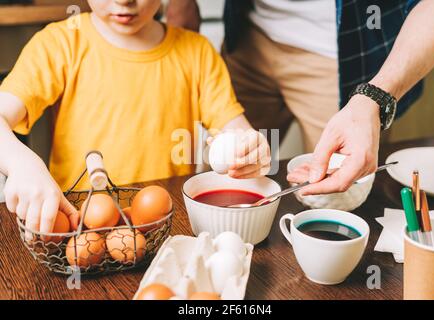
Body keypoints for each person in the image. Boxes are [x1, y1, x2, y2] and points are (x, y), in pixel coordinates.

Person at [0, 0, 271, 238]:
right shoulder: (59, 43)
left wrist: (250, 148)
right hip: (80, 229)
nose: (125, 0)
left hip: (167, 230)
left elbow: (236, 131)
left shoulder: (197, 52)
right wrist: (19, 162)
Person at [167, 0, 434, 195]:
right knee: (228, 184)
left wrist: (373, 97)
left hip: (341, 58)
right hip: (247, 36)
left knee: (335, 198)